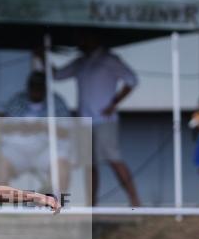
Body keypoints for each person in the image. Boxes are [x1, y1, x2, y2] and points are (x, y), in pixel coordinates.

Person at [54, 33, 140, 206]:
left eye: (83, 39)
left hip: (104, 119)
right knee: (88, 163)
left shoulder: (109, 59)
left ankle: (135, 200)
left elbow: (132, 80)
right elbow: (57, 75)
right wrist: (41, 56)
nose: (80, 43)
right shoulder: (81, 62)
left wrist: (114, 103)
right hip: (84, 120)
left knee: (113, 158)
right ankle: (91, 203)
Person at [0, 71, 72, 193]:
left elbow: (66, 132)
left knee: (62, 166)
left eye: (39, 86)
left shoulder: (56, 103)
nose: (36, 89)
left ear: (45, 87)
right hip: (18, 150)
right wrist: (22, 127)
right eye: (33, 85)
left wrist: (43, 127)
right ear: (28, 86)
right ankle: (6, 206)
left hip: (46, 150)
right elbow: (4, 127)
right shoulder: (17, 100)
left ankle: (57, 205)